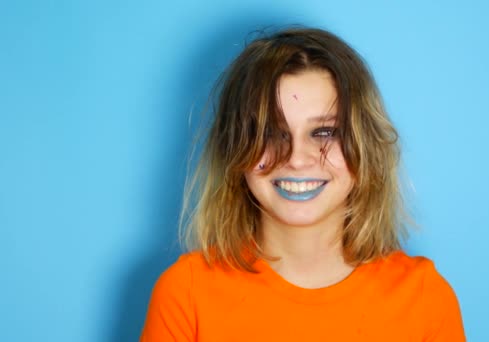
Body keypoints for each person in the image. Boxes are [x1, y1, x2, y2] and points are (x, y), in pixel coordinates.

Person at [140, 27, 465, 341]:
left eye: (324, 132)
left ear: (366, 145)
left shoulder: (424, 299)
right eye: (270, 132)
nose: (296, 158)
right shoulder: (186, 293)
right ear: (235, 149)